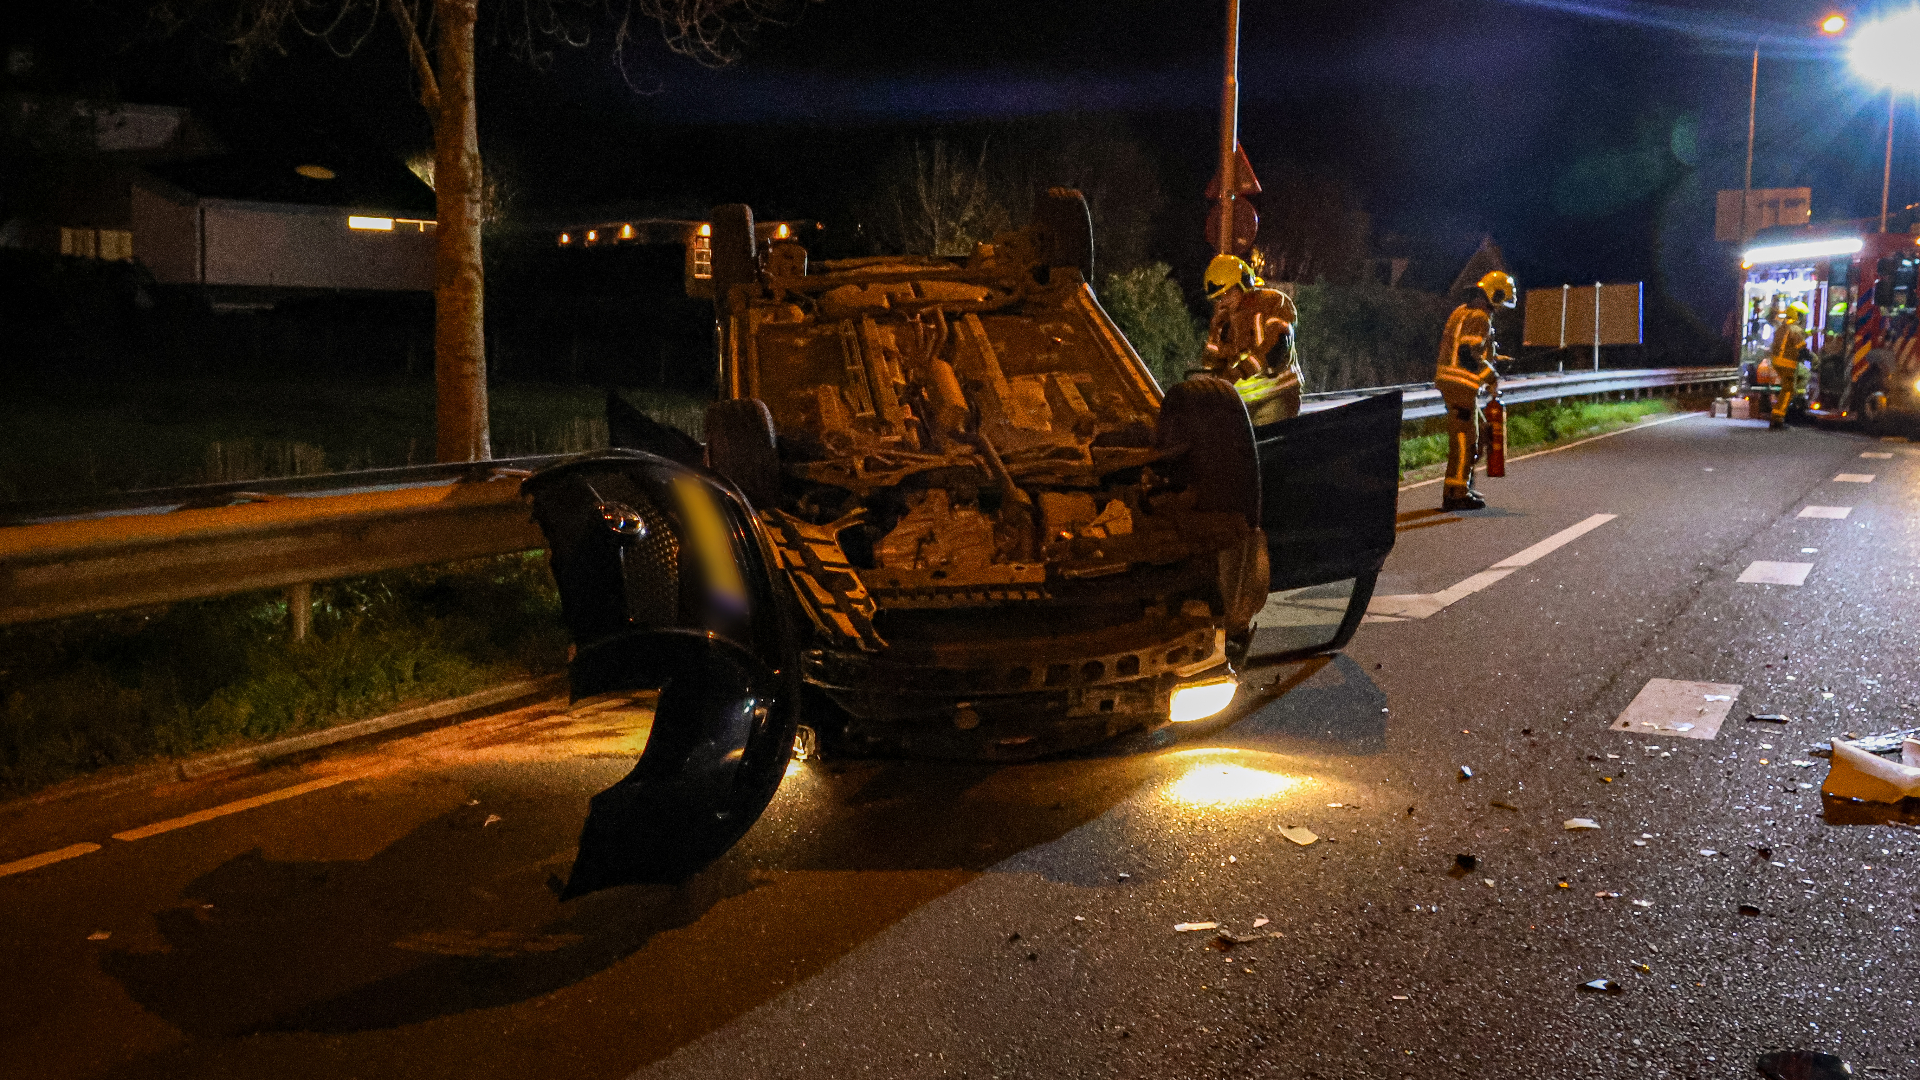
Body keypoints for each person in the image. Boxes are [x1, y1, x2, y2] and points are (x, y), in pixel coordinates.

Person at [1434, 271, 1516, 511]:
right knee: (1465, 440)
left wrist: (1498, 358)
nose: (1499, 308)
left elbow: (1470, 349)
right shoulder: (1480, 317)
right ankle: (1455, 494)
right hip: (1460, 385)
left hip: (1454, 383)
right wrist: (1492, 375)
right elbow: (1470, 355)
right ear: (1495, 294)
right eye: (1501, 301)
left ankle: (1461, 486)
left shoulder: (1462, 311)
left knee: (1475, 437)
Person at [1201, 254, 1304, 426]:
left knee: (1269, 448)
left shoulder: (1272, 303)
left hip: (1277, 396)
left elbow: (1275, 349)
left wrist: (1237, 372)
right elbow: (1212, 362)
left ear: (1243, 284)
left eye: (1227, 293)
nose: (1223, 301)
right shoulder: (1222, 319)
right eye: (1219, 297)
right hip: (1240, 404)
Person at [1768, 301, 1812, 429]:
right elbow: (1802, 348)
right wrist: (1812, 359)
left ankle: (1779, 415)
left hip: (1777, 362)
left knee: (1787, 389)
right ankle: (1777, 419)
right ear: (1797, 315)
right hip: (1787, 364)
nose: (1803, 318)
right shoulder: (1794, 328)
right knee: (1788, 391)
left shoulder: (1783, 327)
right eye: (1802, 315)